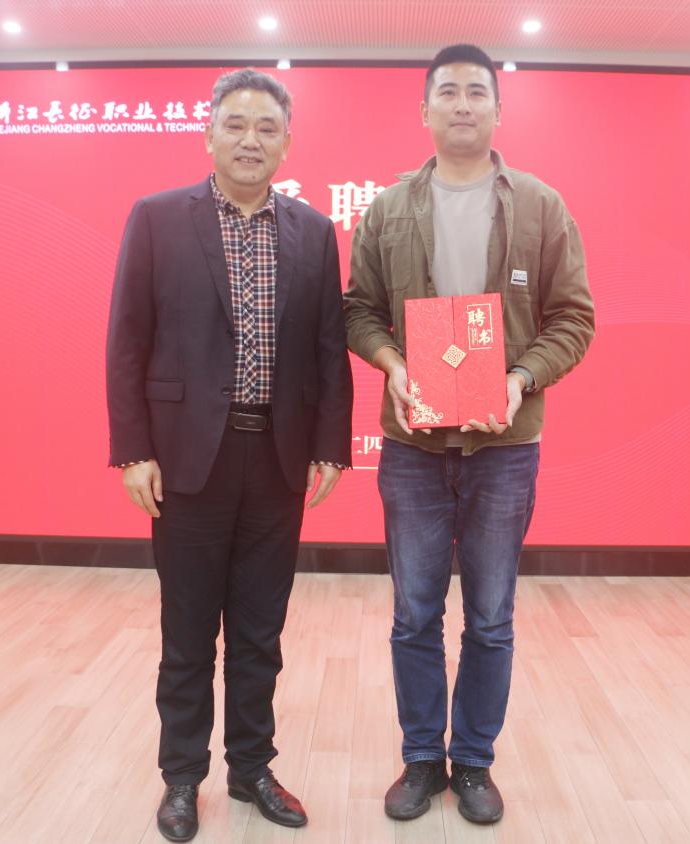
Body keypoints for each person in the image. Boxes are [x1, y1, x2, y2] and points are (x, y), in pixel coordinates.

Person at [343, 44, 595, 825]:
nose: (461, 104)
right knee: (414, 612)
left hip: (504, 449)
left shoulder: (541, 207)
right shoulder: (388, 209)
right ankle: (422, 757)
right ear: (424, 110)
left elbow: (573, 319)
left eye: (476, 92)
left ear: (496, 110)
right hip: (413, 449)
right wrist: (391, 364)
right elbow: (357, 311)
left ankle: (475, 761)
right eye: (447, 92)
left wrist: (519, 379)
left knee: (489, 616)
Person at [106, 68, 353, 842]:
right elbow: (127, 339)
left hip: (275, 461)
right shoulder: (157, 218)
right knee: (186, 635)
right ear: (208, 134)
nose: (251, 140)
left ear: (286, 143)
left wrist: (330, 446)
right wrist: (132, 450)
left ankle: (251, 769)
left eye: (266, 128)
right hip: (186, 461)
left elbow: (329, 347)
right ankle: (182, 778)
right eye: (236, 125)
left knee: (258, 632)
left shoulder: (313, 231)